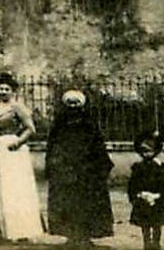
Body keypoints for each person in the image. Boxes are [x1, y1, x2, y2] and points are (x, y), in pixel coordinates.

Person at [44, 89, 114, 247]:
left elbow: (97, 146)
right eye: (70, 103)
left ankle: (86, 236)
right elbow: (53, 145)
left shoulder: (89, 123)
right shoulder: (60, 123)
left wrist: (99, 168)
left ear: (81, 105)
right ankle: (70, 236)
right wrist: (53, 165)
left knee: (86, 204)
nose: (73, 106)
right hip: (65, 170)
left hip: (86, 172)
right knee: (66, 204)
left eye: (76, 103)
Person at [0, 73, 44, 243]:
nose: (3, 92)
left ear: (12, 91)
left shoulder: (17, 107)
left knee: (15, 190)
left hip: (13, 151)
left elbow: (30, 129)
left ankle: (20, 230)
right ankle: (3, 230)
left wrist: (18, 142)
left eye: (6, 89)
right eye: (0, 89)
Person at [127, 130, 164, 250]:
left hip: (157, 199)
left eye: (150, 151)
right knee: (145, 224)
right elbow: (132, 185)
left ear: (156, 151)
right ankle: (147, 241)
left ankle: (156, 242)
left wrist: (160, 195)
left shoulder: (161, 167)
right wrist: (138, 195)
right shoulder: (137, 168)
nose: (147, 154)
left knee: (157, 224)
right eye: (144, 151)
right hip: (143, 199)